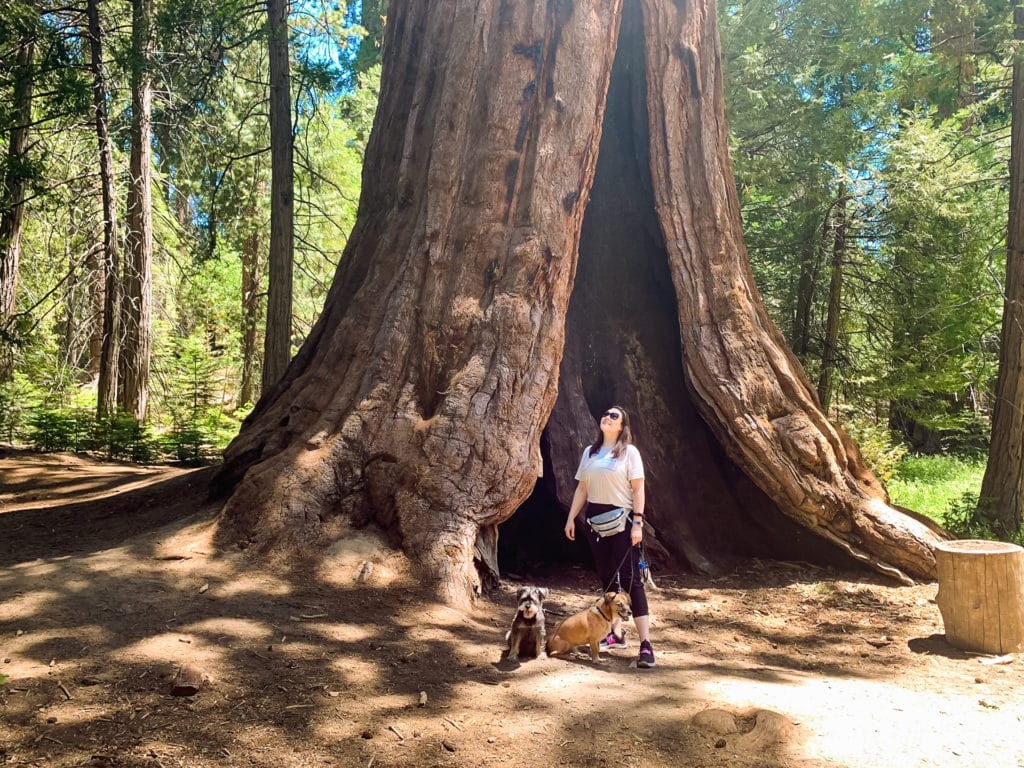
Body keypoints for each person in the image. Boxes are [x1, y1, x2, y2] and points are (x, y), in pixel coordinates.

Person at [563, 405, 655, 668]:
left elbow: (638, 490)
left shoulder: (629, 453)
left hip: (623, 523)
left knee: (631, 581)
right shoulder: (590, 452)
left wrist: (637, 523)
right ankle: (615, 634)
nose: (607, 417)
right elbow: (582, 488)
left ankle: (646, 645)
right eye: (605, 414)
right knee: (608, 580)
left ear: (622, 425)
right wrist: (571, 518)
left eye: (614, 416)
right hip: (596, 524)